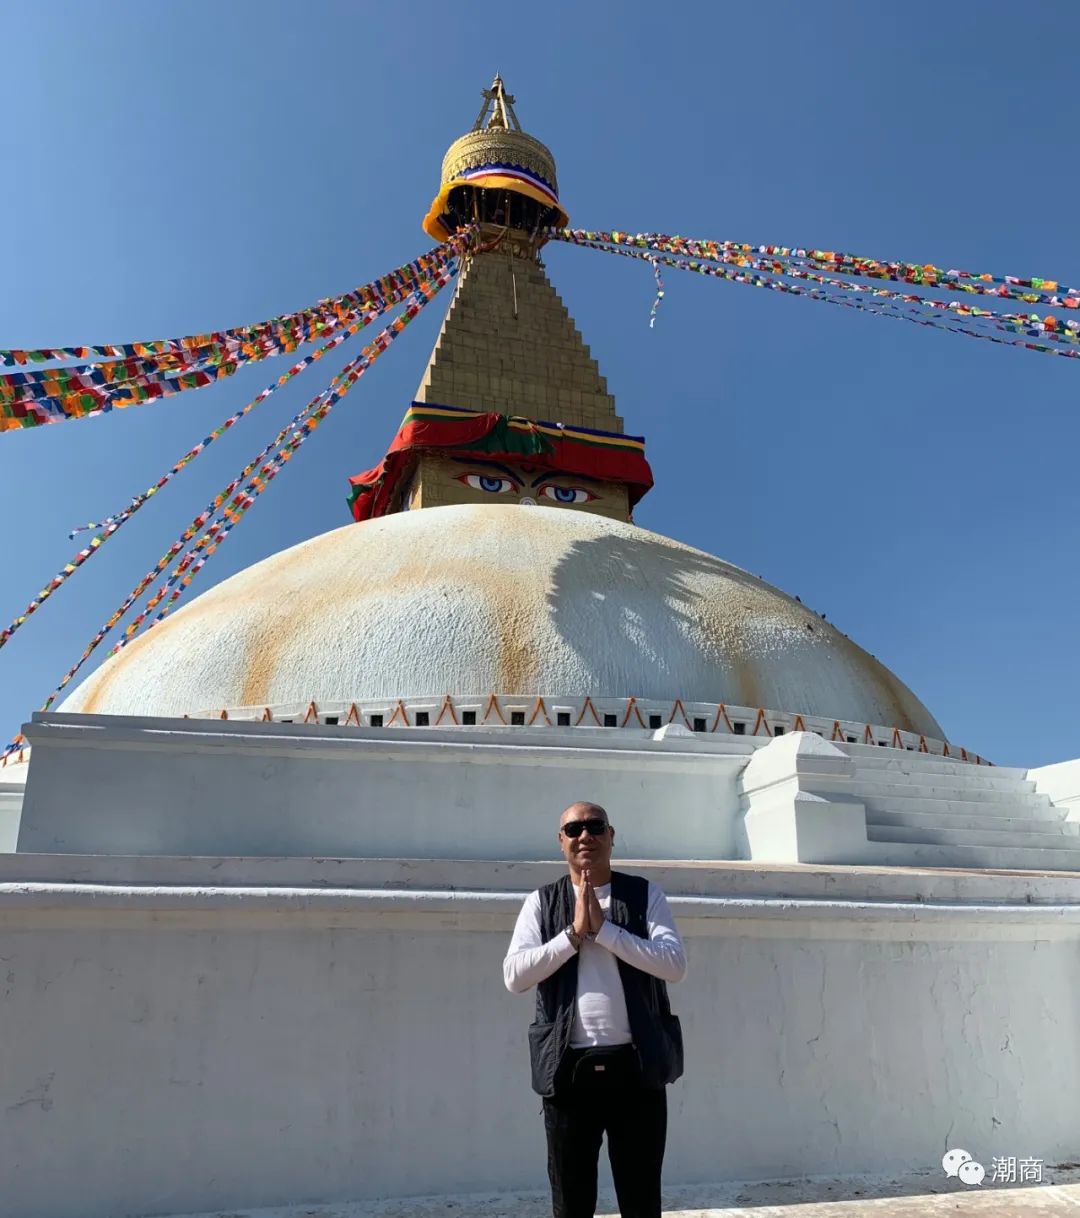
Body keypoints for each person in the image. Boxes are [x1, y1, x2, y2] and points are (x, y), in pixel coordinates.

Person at [503, 801, 687, 1218]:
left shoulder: (644, 895)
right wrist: (572, 935)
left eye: (595, 826)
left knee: (641, 1201)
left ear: (611, 835)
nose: (585, 836)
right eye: (574, 829)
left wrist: (605, 931)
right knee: (571, 1203)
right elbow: (514, 976)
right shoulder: (542, 902)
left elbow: (674, 965)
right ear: (561, 841)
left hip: (638, 1071)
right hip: (567, 1073)